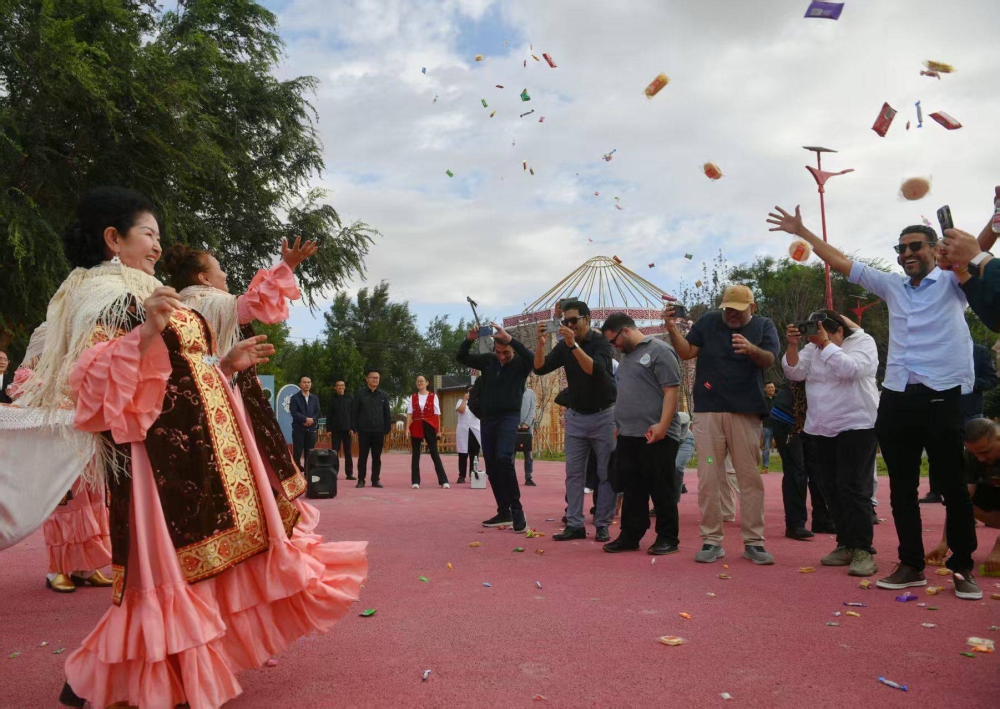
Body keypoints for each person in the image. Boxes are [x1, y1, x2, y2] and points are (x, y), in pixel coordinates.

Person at [32, 187, 365, 709]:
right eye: (149, 234)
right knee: (164, 567)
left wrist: (226, 365)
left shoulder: (151, 291)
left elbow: (185, 368)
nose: (158, 247)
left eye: (159, 237)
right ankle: (109, 679)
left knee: (200, 565)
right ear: (113, 239)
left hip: (197, 446)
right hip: (154, 459)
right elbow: (91, 385)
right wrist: (143, 334)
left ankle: (157, 675)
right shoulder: (103, 297)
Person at [768, 204, 980, 599]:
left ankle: (962, 566)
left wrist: (995, 222)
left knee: (952, 486)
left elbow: (976, 248)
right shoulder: (892, 286)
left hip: (944, 395)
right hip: (898, 397)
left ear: (935, 249)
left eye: (915, 246)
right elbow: (840, 261)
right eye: (900, 248)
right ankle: (911, 563)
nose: (906, 254)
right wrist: (802, 231)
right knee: (900, 489)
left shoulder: (955, 282)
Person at [161, 238, 321, 537]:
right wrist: (288, 266)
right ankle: (258, 533)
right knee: (246, 469)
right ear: (204, 278)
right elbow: (256, 301)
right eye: (219, 269)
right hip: (222, 397)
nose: (225, 276)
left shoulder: (170, 308)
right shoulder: (212, 301)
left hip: (184, 403)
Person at [665, 285, 780, 565]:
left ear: (752, 308)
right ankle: (711, 540)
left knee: (749, 478)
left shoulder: (764, 326)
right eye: (728, 308)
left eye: (738, 311)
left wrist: (752, 349)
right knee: (708, 476)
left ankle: (754, 542)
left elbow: (770, 358)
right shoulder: (708, 321)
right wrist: (671, 328)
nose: (731, 315)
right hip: (708, 412)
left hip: (746, 412)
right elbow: (687, 352)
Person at [783, 310, 880, 577]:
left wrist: (825, 344)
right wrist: (793, 345)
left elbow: (852, 370)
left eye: (825, 330)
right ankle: (845, 544)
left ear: (840, 330)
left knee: (853, 489)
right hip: (820, 428)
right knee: (830, 489)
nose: (818, 336)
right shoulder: (812, 349)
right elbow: (794, 372)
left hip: (857, 426)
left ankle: (863, 550)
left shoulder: (863, 343)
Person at [534, 300, 617, 543]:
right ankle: (574, 524)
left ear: (587, 319)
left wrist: (573, 346)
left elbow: (596, 370)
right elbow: (540, 369)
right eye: (565, 322)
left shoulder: (600, 341)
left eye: (573, 320)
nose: (569, 325)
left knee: (605, 473)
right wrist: (539, 346)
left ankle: (602, 523)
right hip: (577, 416)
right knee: (573, 474)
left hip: (604, 415)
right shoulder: (563, 346)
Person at [600, 313, 683, 555]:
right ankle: (630, 535)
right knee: (632, 487)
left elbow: (671, 391)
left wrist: (663, 426)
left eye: (614, 340)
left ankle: (668, 538)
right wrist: (620, 423)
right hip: (628, 433)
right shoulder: (626, 357)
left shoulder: (659, 350)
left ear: (625, 330)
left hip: (656, 433)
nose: (614, 346)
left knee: (661, 487)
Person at [457, 322, 534, 533]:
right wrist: (469, 339)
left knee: (503, 459)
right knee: (491, 466)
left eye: (506, 353)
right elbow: (461, 358)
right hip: (488, 420)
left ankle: (517, 510)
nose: (501, 357)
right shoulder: (489, 362)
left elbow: (534, 360)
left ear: (512, 348)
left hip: (509, 417)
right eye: (498, 352)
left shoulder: (521, 364)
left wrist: (512, 341)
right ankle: (504, 512)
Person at [922, 342, 998, 503]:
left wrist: (972, 384)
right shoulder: (941, 350)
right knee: (938, 449)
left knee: (977, 454)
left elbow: (991, 379)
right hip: (943, 407)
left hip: (971, 409)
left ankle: (980, 498)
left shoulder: (980, 351)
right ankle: (936, 491)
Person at [926, 418, 1000, 576]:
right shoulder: (973, 456)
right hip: (994, 510)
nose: (980, 458)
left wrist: (998, 550)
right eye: (975, 453)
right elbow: (961, 501)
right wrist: (946, 541)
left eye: (985, 452)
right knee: (962, 498)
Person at [770, 381, 833, 540]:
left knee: (818, 470)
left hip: (811, 419)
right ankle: (795, 524)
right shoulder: (808, 358)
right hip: (788, 417)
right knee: (797, 470)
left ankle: (822, 519)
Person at [406, 375, 450, 489]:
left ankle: (443, 480)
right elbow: (410, 414)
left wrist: (438, 431)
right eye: (418, 381)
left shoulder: (433, 396)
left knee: (434, 452)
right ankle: (415, 481)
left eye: (422, 381)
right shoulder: (413, 397)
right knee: (416, 453)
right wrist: (406, 428)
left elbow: (437, 414)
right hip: (416, 425)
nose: (419, 383)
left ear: (427, 383)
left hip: (430, 425)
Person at [353, 368, 392, 488]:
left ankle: (375, 480)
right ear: (367, 379)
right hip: (364, 430)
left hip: (378, 431)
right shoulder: (360, 394)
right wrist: (354, 428)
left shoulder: (383, 395)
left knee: (377, 457)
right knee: (362, 456)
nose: (375, 379)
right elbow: (354, 412)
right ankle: (361, 480)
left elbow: (387, 413)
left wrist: (387, 429)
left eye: (377, 378)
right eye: (373, 377)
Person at [290, 375, 321, 471]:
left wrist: (312, 420)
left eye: (308, 382)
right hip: (299, 429)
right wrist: (305, 419)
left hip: (311, 429)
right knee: (297, 452)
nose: (307, 384)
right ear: (300, 384)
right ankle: (296, 473)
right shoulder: (295, 398)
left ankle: (308, 474)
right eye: (304, 382)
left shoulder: (314, 398)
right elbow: (294, 412)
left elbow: (318, 412)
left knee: (310, 453)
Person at [328, 379, 355, 480]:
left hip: (347, 430)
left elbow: (353, 415)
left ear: (344, 387)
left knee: (348, 452)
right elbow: (329, 416)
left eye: (342, 385)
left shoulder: (350, 399)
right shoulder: (332, 400)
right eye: (338, 386)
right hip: (335, 430)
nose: (341, 387)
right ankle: (334, 472)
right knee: (334, 452)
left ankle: (349, 474)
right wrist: (329, 429)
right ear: (335, 388)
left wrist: (353, 428)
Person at [455, 386, 481, 483]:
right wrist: (465, 400)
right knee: (462, 453)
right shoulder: (460, 401)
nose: (470, 393)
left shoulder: (478, 402)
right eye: (468, 392)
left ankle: (473, 474)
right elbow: (461, 410)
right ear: (465, 393)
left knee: (474, 454)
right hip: (463, 431)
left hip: (475, 431)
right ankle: (462, 475)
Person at [520, 386, 537, 486]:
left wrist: (527, 423)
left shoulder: (531, 393)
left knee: (528, 454)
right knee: (510, 454)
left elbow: (532, 409)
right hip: (514, 427)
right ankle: (509, 478)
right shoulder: (512, 391)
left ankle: (528, 476)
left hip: (527, 428)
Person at [761, 382, 775, 472]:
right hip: (767, 426)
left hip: (779, 426)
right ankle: (765, 467)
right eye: (769, 387)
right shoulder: (762, 400)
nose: (771, 389)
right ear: (765, 389)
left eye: (772, 387)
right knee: (766, 447)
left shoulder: (779, 399)